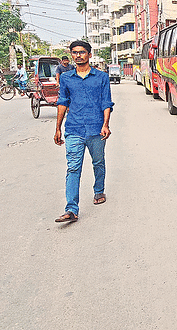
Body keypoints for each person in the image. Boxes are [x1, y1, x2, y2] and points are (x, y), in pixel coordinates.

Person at [53, 40, 114, 223]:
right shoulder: (66, 78)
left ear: (89, 54)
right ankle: (71, 208)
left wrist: (106, 124)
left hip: (96, 128)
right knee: (73, 167)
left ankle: (98, 191)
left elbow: (106, 103)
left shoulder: (101, 77)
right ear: (71, 55)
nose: (78, 55)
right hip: (74, 128)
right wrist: (57, 128)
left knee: (98, 162)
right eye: (74, 52)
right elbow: (63, 102)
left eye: (82, 52)